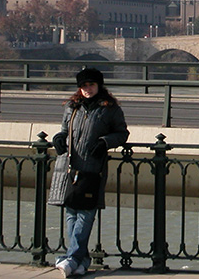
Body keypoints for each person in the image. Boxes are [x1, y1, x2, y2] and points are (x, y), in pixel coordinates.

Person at [48, 68, 129, 277]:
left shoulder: (109, 109)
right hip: (70, 166)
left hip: (93, 169)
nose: (87, 89)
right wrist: (59, 138)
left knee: (85, 214)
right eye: (84, 86)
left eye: (91, 85)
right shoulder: (71, 107)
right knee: (71, 212)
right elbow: (65, 131)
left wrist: (105, 142)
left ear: (99, 86)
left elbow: (122, 133)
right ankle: (80, 261)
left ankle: (71, 258)